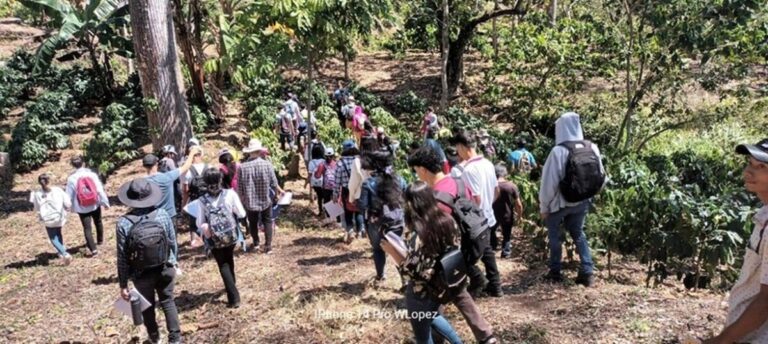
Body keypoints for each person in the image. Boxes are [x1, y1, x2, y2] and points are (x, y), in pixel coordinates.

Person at [407, 146, 497, 343]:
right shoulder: (457, 181)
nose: (417, 175)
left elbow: (435, 236)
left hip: (448, 254)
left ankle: (436, 337)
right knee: (458, 290)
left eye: (416, 171)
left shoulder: (436, 199)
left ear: (422, 169)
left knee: (435, 292)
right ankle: (485, 335)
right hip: (468, 245)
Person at [702, 139, 768, 344]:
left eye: (762, 167)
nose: (749, 171)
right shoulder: (763, 215)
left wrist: (722, 341)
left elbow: (765, 302)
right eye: (750, 163)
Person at [388, 181, 465, 344]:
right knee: (433, 315)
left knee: (423, 336)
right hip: (442, 282)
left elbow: (412, 270)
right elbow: (455, 246)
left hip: (421, 290)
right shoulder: (448, 220)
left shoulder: (418, 230)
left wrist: (393, 252)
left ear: (411, 204)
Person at [539, 112, 604, 287]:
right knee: (578, 233)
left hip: (560, 203)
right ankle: (587, 271)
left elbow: (549, 182)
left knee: (554, 235)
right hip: (582, 201)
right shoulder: (592, 147)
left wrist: (544, 206)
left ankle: (555, 272)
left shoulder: (558, 151)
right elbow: (601, 176)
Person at [116, 178, 180, 344]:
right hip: (165, 267)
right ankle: (175, 339)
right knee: (168, 301)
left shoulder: (123, 223)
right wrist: (174, 261)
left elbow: (122, 256)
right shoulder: (163, 214)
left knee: (148, 306)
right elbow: (172, 241)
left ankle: (154, 337)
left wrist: (123, 283)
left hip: (140, 273)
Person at [448, 129, 502, 297]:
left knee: (465, 256)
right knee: (487, 252)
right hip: (488, 218)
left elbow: (475, 199)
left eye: (457, 147)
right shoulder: (488, 164)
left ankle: (479, 280)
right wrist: (488, 206)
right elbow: (496, 191)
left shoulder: (469, 170)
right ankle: (495, 285)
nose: (457, 152)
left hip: (475, 222)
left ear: (462, 147)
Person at [190, 168, 247, 308]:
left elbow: (199, 222)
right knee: (229, 259)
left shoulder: (202, 200)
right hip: (231, 235)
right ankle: (232, 289)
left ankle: (233, 297)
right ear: (220, 179)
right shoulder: (230, 194)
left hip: (213, 238)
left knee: (223, 264)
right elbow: (241, 213)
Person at [358, 150, 407, 285]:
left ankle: (380, 276)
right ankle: (406, 279)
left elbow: (362, 206)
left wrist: (362, 224)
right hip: (397, 220)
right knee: (399, 248)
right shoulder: (400, 179)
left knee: (378, 249)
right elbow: (407, 196)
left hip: (377, 223)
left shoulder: (368, 183)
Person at [237, 139, 285, 254]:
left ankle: (256, 243)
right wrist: (276, 195)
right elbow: (274, 182)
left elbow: (240, 187)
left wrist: (242, 199)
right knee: (267, 221)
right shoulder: (267, 164)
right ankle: (268, 246)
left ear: (249, 152)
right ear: (259, 151)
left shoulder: (243, 167)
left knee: (252, 222)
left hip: (250, 201)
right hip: (265, 199)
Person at [66, 155, 110, 256]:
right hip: (94, 203)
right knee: (98, 221)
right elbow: (99, 189)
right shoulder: (92, 175)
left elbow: (69, 194)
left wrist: (68, 207)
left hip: (82, 207)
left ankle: (93, 250)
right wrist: (105, 202)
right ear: (83, 163)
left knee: (87, 228)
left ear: (73, 166)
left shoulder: (71, 178)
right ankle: (100, 240)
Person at [30, 173, 73, 264]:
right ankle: (61, 251)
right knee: (58, 233)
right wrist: (67, 207)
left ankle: (64, 253)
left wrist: (39, 215)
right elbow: (67, 202)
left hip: (47, 219)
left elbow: (36, 207)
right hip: (59, 217)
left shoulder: (37, 194)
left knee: (53, 238)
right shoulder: (57, 190)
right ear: (49, 181)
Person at [334, 139, 365, 243]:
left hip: (346, 191)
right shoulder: (360, 161)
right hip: (359, 189)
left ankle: (350, 230)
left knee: (348, 211)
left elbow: (337, 181)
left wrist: (335, 194)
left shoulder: (340, 163)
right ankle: (360, 232)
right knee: (359, 211)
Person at [492, 164, 523, 258]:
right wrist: (519, 216)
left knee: (491, 231)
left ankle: (492, 249)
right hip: (507, 214)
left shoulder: (491, 185)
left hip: (493, 214)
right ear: (505, 174)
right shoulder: (511, 186)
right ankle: (506, 252)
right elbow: (518, 204)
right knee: (507, 234)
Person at [182, 143, 208, 248]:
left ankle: (193, 241)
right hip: (207, 198)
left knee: (193, 221)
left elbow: (185, 190)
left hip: (194, 199)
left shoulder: (188, 171)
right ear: (201, 155)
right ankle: (208, 238)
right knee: (207, 219)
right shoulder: (208, 167)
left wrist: (183, 205)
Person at [309, 148, 335, 217]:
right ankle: (334, 217)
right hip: (335, 186)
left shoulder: (322, 164)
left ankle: (328, 216)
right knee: (334, 201)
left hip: (326, 186)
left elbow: (318, 176)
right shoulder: (336, 164)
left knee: (326, 201)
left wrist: (315, 173)